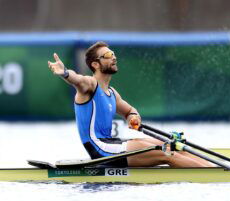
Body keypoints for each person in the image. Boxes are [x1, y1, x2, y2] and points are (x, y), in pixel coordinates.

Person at [47, 41, 211, 167]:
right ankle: (213, 174)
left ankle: (214, 168)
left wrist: (133, 118)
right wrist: (65, 73)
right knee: (166, 153)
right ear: (95, 64)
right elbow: (77, 79)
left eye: (113, 54)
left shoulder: (112, 93)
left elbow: (129, 111)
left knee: (170, 145)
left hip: (112, 143)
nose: (114, 57)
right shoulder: (89, 85)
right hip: (101, 149)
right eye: (108, 55)